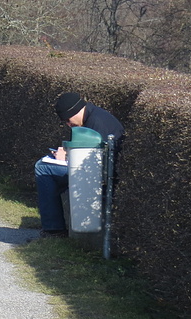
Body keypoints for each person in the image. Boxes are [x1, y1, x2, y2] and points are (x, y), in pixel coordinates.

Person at [35, 92, 125, 238]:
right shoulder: (95, 116)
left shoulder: (95, 124)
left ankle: (54, 229)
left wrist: (65, 158)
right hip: (103, 171)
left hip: (102, 175)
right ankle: (53, 226)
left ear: (75, 111)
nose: (68, 125)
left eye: (68, 120)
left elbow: (92, 163)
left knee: (43, 168)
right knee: (46, 166)